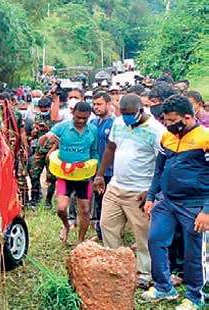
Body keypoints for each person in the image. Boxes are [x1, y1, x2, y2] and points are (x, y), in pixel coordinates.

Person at [142, 95, 209, 310]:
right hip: (167, 201)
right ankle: (164, 287)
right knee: (155, 239)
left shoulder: (204, 139)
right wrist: (151, 197)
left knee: (194, 251)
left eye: (172, 120)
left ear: (187, 117)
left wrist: (207, 210)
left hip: (194, 203)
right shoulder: (167, 138)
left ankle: (195, 296)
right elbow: (159, 169)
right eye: (166, 120)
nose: (167, 124)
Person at [94, 94, 166, 289]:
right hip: (116, 186)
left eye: (130, 114)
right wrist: (100, 175)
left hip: (140, 191)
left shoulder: (156, 131)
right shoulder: (119, 123)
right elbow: (110, 147)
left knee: (143, 233)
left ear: (141, 110)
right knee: (107, 225)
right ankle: (116, 266)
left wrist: (152, 191)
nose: (126, 117)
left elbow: (163, 163)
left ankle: (145, 272)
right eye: (123, 113)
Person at [41, 101, 98, 243]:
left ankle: (80, 241)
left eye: (84, 118)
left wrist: (95, 171)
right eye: (78, 117)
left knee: (85, 210)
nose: (81, 121)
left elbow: (95, 152)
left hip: (84, 176)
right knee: (61, 208)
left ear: (89, 116)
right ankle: (66, 226)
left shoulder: (93, 130)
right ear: (72, 113)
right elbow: (42, 140)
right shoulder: (63, 127)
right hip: (64, 175)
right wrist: (47, 137)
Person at [89, 91, 115, 240]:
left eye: (99, 104)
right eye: (94, 104)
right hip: (95, 169)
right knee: (98, 200)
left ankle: (110, 233)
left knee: (108, 202)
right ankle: (100, 233)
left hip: (110, 170)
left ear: (108, 104)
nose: (96, 107)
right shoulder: (93, 123)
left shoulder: (114, 123)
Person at [27, 97, 57, 207]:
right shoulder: (37, 117)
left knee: (51, 177)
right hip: (39, 150)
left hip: (52, 150)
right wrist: (35, 131)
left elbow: (58, 133)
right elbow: (33, 134)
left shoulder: (54, 117)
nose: (44, 110)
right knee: (34, 174)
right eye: (42, 108)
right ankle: (35, 199)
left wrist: (47, 128)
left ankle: (48, 201)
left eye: (46, 108)